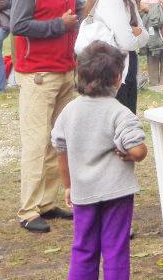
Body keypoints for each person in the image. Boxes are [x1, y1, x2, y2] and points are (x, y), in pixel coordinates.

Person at [52, 42, 146, 280]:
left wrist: (68, 186)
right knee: (115, 248)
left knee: (83, 247)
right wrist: (128, 151)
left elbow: (60, 150)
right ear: (117, 78)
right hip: (117, 192)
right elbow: (139, 150)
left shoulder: (69, 112)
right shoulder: (120, 112)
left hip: (83, 192)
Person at [10, 0, 80, 233]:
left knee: (58, 140)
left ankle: (48, 202)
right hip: (39, 75)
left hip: (65, 71)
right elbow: (18, 25)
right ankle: (28, 210)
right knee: (37, 142)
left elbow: (77, 12)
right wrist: (57, 26)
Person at [78, 0, 149, 114]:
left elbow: (145, 35)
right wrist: (137, 33)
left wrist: (138, 33)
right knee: (117, 127)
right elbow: (128, 42)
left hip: (125, 66)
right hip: (113, 72)